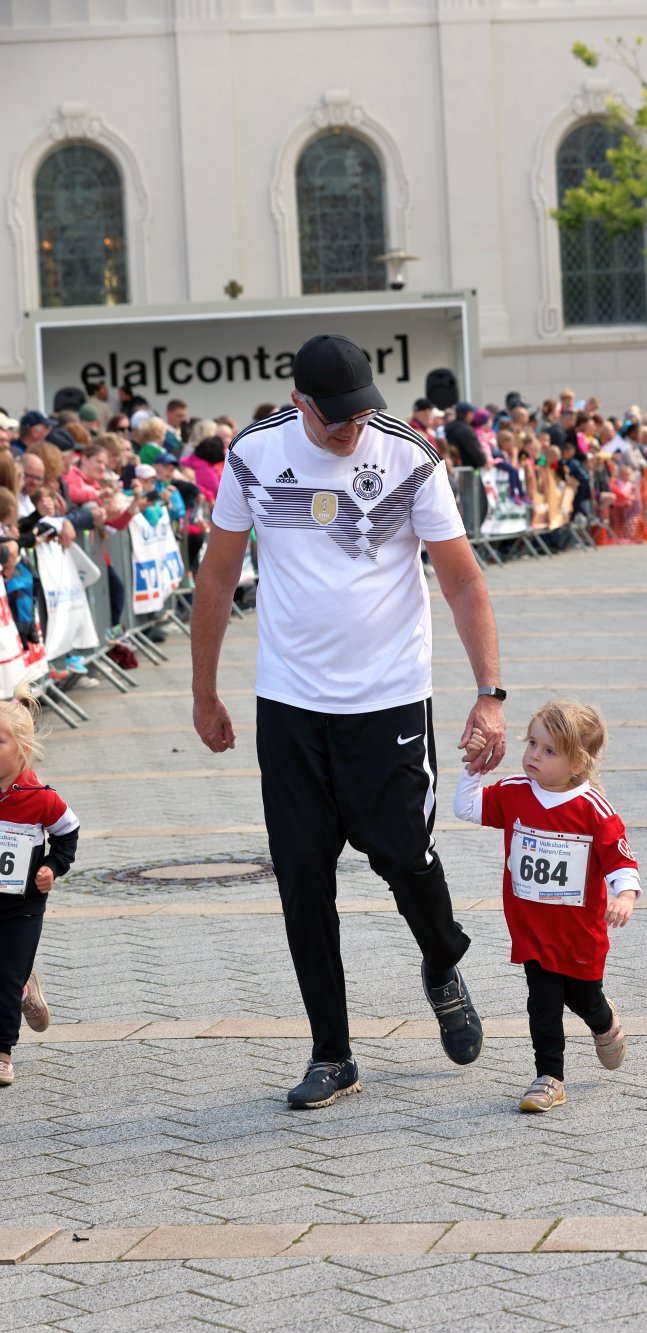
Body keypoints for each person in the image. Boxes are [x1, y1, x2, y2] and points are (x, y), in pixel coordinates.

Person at [190, 333, 506, 1108]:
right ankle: (332, 1054)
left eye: (360, 414)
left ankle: (441, 962)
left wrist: (489, 694)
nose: (350, 429)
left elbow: (463, 582)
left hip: (388, 698)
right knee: (303, 877)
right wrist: (204, 692)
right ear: (299, 402)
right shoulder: (255, 455)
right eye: (335, 418)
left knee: (404, 858)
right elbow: (219, 574)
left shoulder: (408, 455)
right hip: (291, 703)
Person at [454, 700, 640, 1114]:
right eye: (532, 743)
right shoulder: (514, 791)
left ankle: (604, 1021)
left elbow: (621, 860)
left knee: (584, 997)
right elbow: (466, 808)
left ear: (577, 764)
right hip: (533, 931)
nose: (534, 755)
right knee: (542, 1003)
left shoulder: (593, 809)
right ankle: (549, 1078)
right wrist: (474, 770)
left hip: (579, 933)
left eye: (549, 750)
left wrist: (625, 896)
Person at [0, 687, 80, 1086]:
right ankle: (24, 988)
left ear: (23, 749)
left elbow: (68, 834)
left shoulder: (41, 799)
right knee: (6, 977)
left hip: (23, 908)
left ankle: (2, 1053)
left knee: (3, 976)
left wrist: (51, 867)